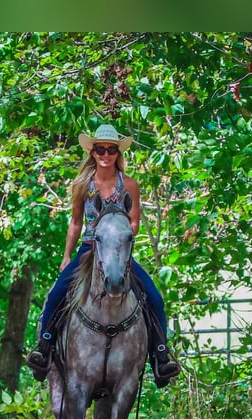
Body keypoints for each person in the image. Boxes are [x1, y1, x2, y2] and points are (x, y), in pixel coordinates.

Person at [27, 123, 180, 387]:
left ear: (117, 154)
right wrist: (66, 256)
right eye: (101, 150)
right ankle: (45, 345)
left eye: (111, 150)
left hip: (119, 252)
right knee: (56, 294)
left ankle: (161, 354)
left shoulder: (129, 185)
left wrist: (117, 235)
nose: (106, 155)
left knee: (154, 297)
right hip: (89, 249)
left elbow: (134, 222)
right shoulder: (82, 185)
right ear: (93, 153)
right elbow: (75, 222)